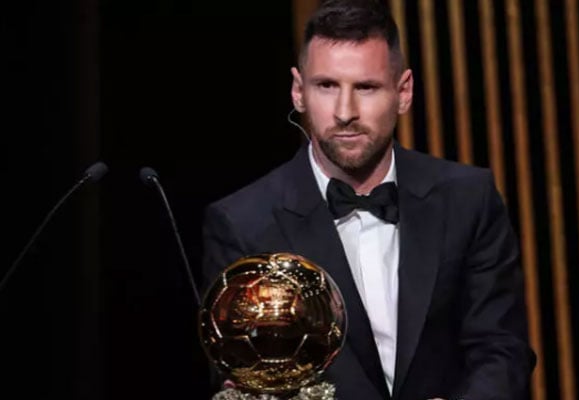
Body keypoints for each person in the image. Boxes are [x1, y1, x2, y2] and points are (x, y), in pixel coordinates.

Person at [199, 0, 536, 399]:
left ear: (403, 92)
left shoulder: (467, 198)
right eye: (326, 85)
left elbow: (501, 349)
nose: (345, 112)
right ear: (298, 91)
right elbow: (240, 378)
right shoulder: (242, 223)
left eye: (366, 87)